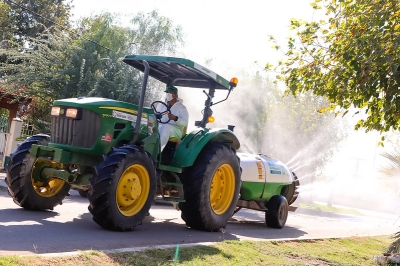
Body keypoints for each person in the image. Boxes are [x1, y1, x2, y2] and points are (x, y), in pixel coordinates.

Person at [156, 86, 189, 151]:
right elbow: (155, 114)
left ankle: (156, 152)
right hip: (161, 126)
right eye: (167, 93)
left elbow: (185, 123)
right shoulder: (161, 105)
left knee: (166, 127)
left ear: (175, 95)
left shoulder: (182, 108)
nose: (167, 95)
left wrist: (175, 118)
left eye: (169, 93)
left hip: (176, 130)